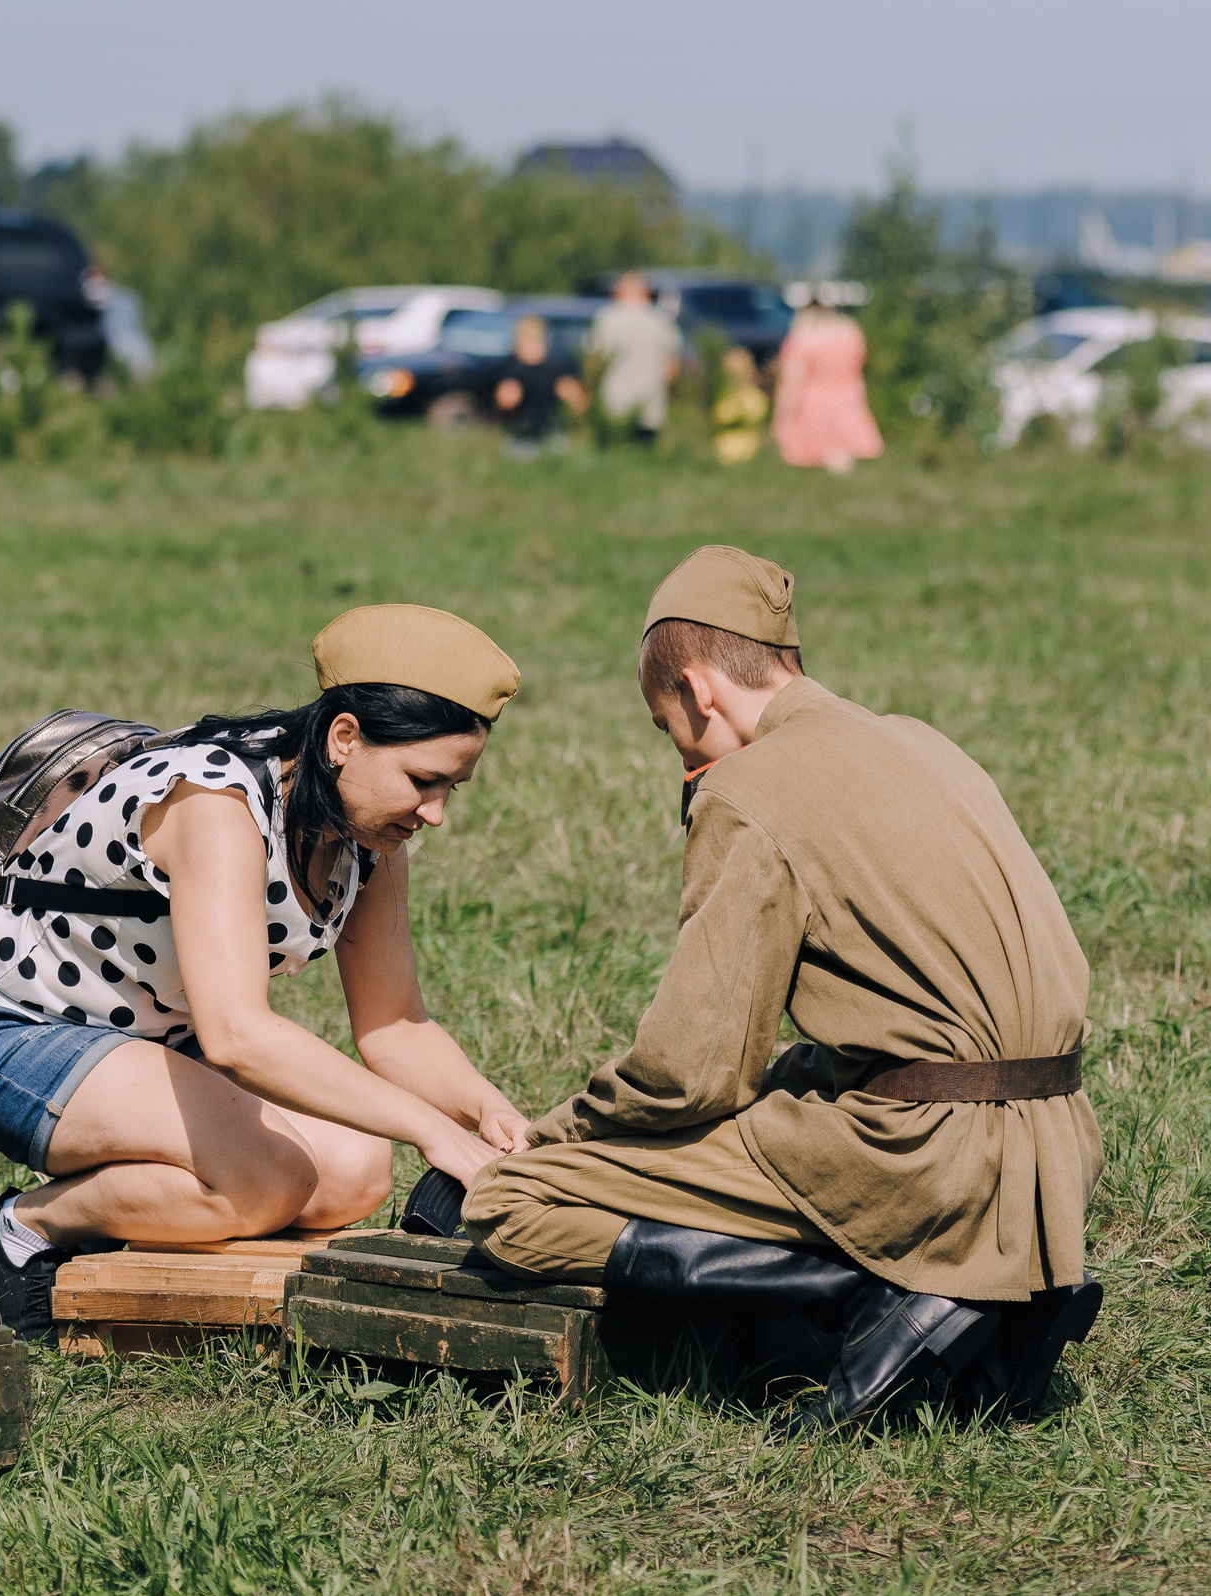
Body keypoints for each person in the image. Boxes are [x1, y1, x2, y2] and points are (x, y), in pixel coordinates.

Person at [461, 547, 1105, 1435]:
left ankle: (889, 1290)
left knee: (510, 1204)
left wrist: (557, 1131)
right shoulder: (922, 741)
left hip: (928, 1160)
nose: (680, 754)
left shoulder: (748, 788)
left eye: (667, 728)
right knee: (792, 1079)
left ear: (698, 691)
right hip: (1055, 1153)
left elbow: (691, 1076)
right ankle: (988, 1285)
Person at [0, 606, 533, 1341]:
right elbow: (237, 1036)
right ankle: (18, 1231)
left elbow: (396, 1026)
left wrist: (489, 1116)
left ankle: (144, 1215)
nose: (435, 812)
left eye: (452, 787)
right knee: (269, 1180)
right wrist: (432, 1130)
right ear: (345, 738)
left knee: (355, 1171)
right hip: (22, 1036)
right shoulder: (215, 804)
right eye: (423, 779)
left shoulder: (368, 836)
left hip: (156, 1044)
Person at [771, 293, 885, 472]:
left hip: (813, 408)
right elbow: (860, 363)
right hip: (849, 401)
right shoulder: (850, 332)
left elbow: (791, 385)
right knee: (843, 456)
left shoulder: (803, 339)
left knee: (815, 463)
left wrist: (781, 421)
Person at [583, 271, 683, 444]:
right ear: (645, 292)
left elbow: (592, 361)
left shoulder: (606, 319)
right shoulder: (661, 322)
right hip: (650, 405)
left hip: (613, 404)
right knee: (645, 453)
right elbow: (671, 368)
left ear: (619, 291)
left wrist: (588, 392)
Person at [490, 316, 587, 454]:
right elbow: (504, 403)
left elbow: (579, 402)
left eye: (537, 341)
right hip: (520, 435)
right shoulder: (510, 370)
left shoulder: (555, 370)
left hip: (552, 433)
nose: (533, 346)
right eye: (529, 341)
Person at [711, 347, 770, 464]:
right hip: (724, 445)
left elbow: (757, 414)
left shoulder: (754, 395)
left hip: (747, 445)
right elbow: (718, 416)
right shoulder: (724, 394)